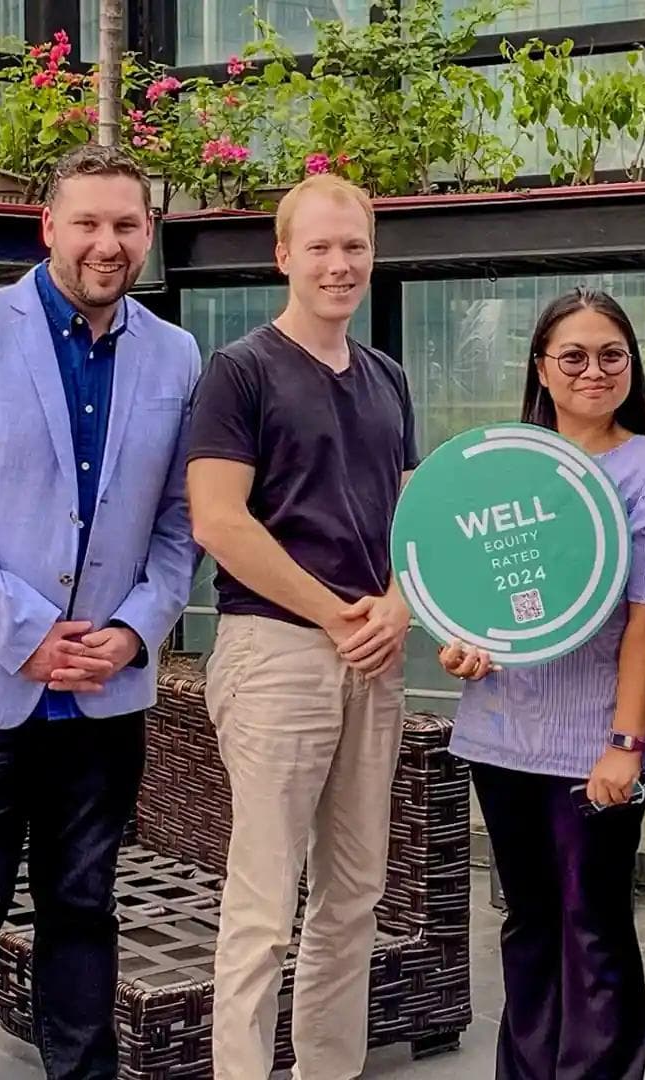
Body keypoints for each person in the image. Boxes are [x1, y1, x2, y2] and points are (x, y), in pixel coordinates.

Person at [0, 144, 200, 1080]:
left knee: (84, 905)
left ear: (148, 232)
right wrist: (25, 637)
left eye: (127, 225)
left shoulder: (176, 352)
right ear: (48, 227)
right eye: (88, 223)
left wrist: (135, 632)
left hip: (104, 692)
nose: (108, 243)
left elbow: (182, 522)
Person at [185, 172, 417, 1080]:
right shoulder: (238, 371)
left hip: (373, 653)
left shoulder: (388, 378)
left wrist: (397, 604)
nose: (338, 264)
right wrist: (335, 612)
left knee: (355, 895)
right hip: (277, 650)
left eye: (354, 246)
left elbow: (413, 519)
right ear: (283, 255)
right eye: (319, 246)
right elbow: (218, 520)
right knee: (263, 900)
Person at [439, 288, 645, 1080]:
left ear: (633, 366)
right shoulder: (503, 468)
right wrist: (464, 644)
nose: (594, 371)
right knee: (528, 924)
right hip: (501, 734)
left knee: (594, 929)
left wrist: (625, 744)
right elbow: (472, 590)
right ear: (542, 368)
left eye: (612, 355)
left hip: (596, 743)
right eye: (574, 356)